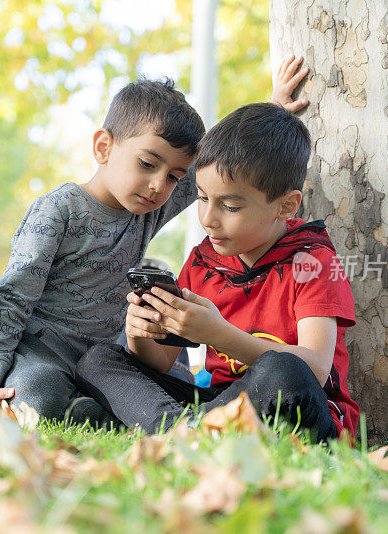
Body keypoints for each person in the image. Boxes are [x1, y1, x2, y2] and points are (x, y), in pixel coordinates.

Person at [0, 57, 310, 424]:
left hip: (100, 359)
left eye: (173, 176)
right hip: (37, 348)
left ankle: (83, 406)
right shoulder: (60, 210)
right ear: (103, 147)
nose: (160, 185)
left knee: (52, 396)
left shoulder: (147, 206)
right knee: (33, 388)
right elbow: (15, 299)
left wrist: (270, 112)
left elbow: (224, 165)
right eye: (147, 163)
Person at [75, 102, 360, 441]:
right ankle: (183, 430)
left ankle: (157, 426)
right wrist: (139, 332)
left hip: (293, 404)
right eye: (202, 198)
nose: (209, 218)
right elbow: (161, 362)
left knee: (283, 370)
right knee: (99, 359)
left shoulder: (312, 262)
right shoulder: (203, 262)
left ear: (286, 205)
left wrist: (218, 334)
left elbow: (315, 367)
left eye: (230, 206)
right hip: (217, 402)